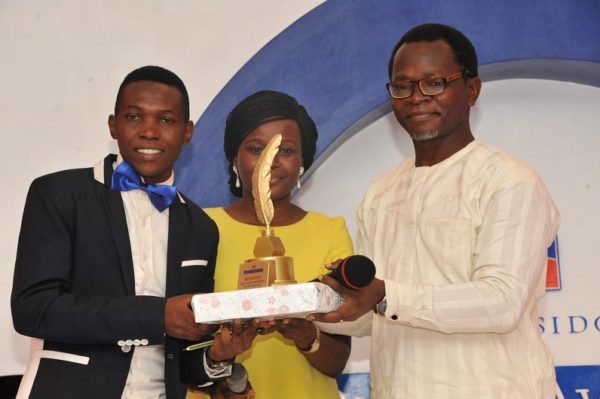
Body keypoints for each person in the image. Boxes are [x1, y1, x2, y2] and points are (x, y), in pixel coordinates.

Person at [312, 23, 560, 398]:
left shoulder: (509, 180)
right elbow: (371, 318)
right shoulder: (381, 192)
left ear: (471, 89)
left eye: (434, 83)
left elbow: (502, 302)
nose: (416, 97)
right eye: (402, 86)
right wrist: (310, 311)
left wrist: (384, 296)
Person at [11, 65, 255, 399]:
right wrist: (157, 315)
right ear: (113, 125)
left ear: (187, 132)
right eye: (134, 117)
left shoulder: (200, 227)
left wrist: (218, 354)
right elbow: (33, 309)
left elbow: (182, 356)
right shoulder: (59, 194)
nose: (150, 131)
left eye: (167, 120)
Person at [189, 90, 353, 399]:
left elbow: (338, 360)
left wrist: (306, 335)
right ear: (234, 159)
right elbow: (176, 342)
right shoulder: (198, 226)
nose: (271, 161)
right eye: (255, 148)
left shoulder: (329, 231)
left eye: (286, 151)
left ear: (303, 160)